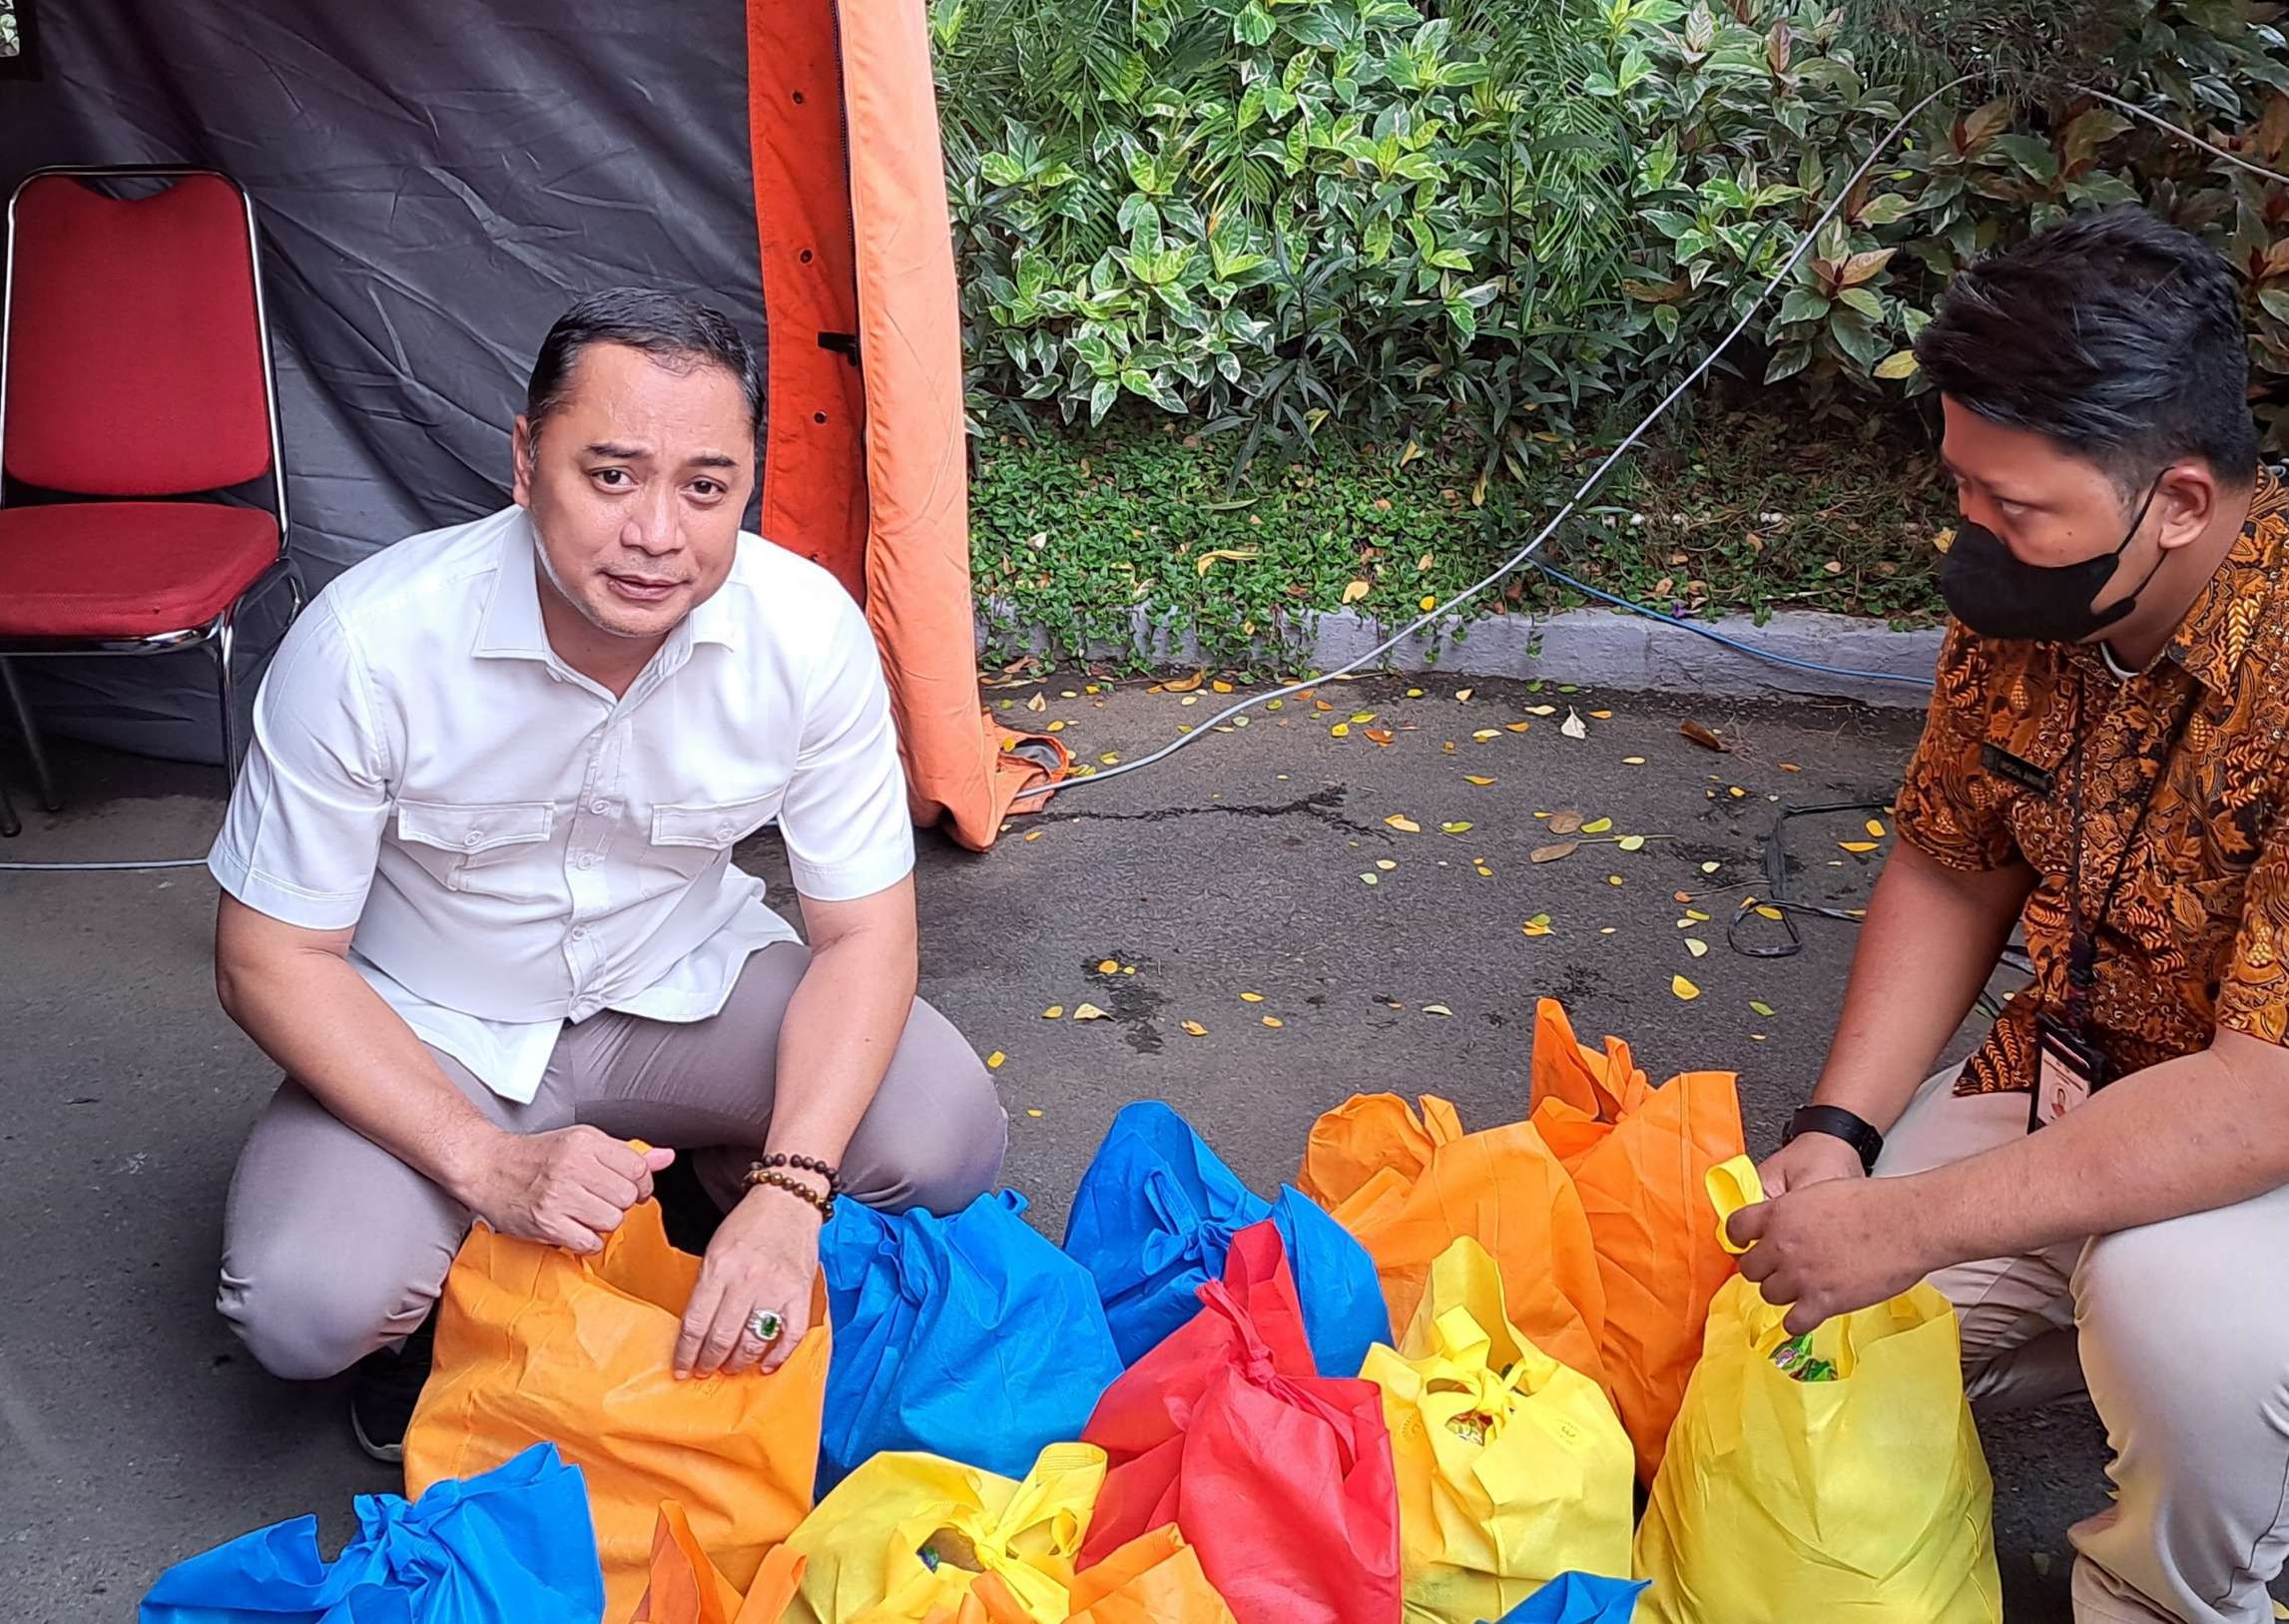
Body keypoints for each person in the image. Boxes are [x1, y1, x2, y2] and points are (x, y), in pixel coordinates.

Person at [206, 288, 1008, 1460]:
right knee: (304, 1303)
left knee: (944, 1134)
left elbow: (865, 934)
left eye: (705, 487)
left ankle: (715, 1190)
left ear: (747, 485)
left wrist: (792, 1187)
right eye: (612, 474)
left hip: (682, 986)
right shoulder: (370, 645)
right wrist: (483, 1160)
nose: (656, 535)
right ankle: (445, 1310)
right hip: (441, 1025)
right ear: (527, 461)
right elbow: (267, 958)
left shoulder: (806, 632)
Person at [1735, 207, 2289, 1624]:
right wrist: (1839, 1134)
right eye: (1962, 488)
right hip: (2074, 1067)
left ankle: (2175, 1589)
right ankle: (2119, 1345)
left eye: (2013, 504)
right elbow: (1948, 856)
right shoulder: (2043, 587)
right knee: (1800, 1316)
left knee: (2186, 1323)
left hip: (2258, 1124)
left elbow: (2261, 1096)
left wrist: (1912, 1219)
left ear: (2174, 497)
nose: (1972, 536)